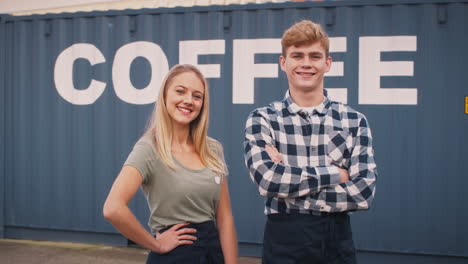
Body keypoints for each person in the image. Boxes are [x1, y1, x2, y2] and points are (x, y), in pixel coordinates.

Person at [243, 20, 378, 264]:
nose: (306, 63)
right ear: (284, 63)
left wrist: (288, 189)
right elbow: (268, 181)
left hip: (336, 242)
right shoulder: (263, 119)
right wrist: (335, 174)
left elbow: (363, 192)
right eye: (297, 55)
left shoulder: (354, 121)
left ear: (327, 63)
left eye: (315, 56)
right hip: (283, 241)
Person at [104, 64, 238, 264]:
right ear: (165, 95)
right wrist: (156, 244)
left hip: (213, 255)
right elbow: (113, 208)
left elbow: (225, 218)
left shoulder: (213, 149)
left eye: (197, 96)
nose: (188, 100)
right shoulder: (149, 148)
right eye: (180, 91)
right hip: (175, 257)